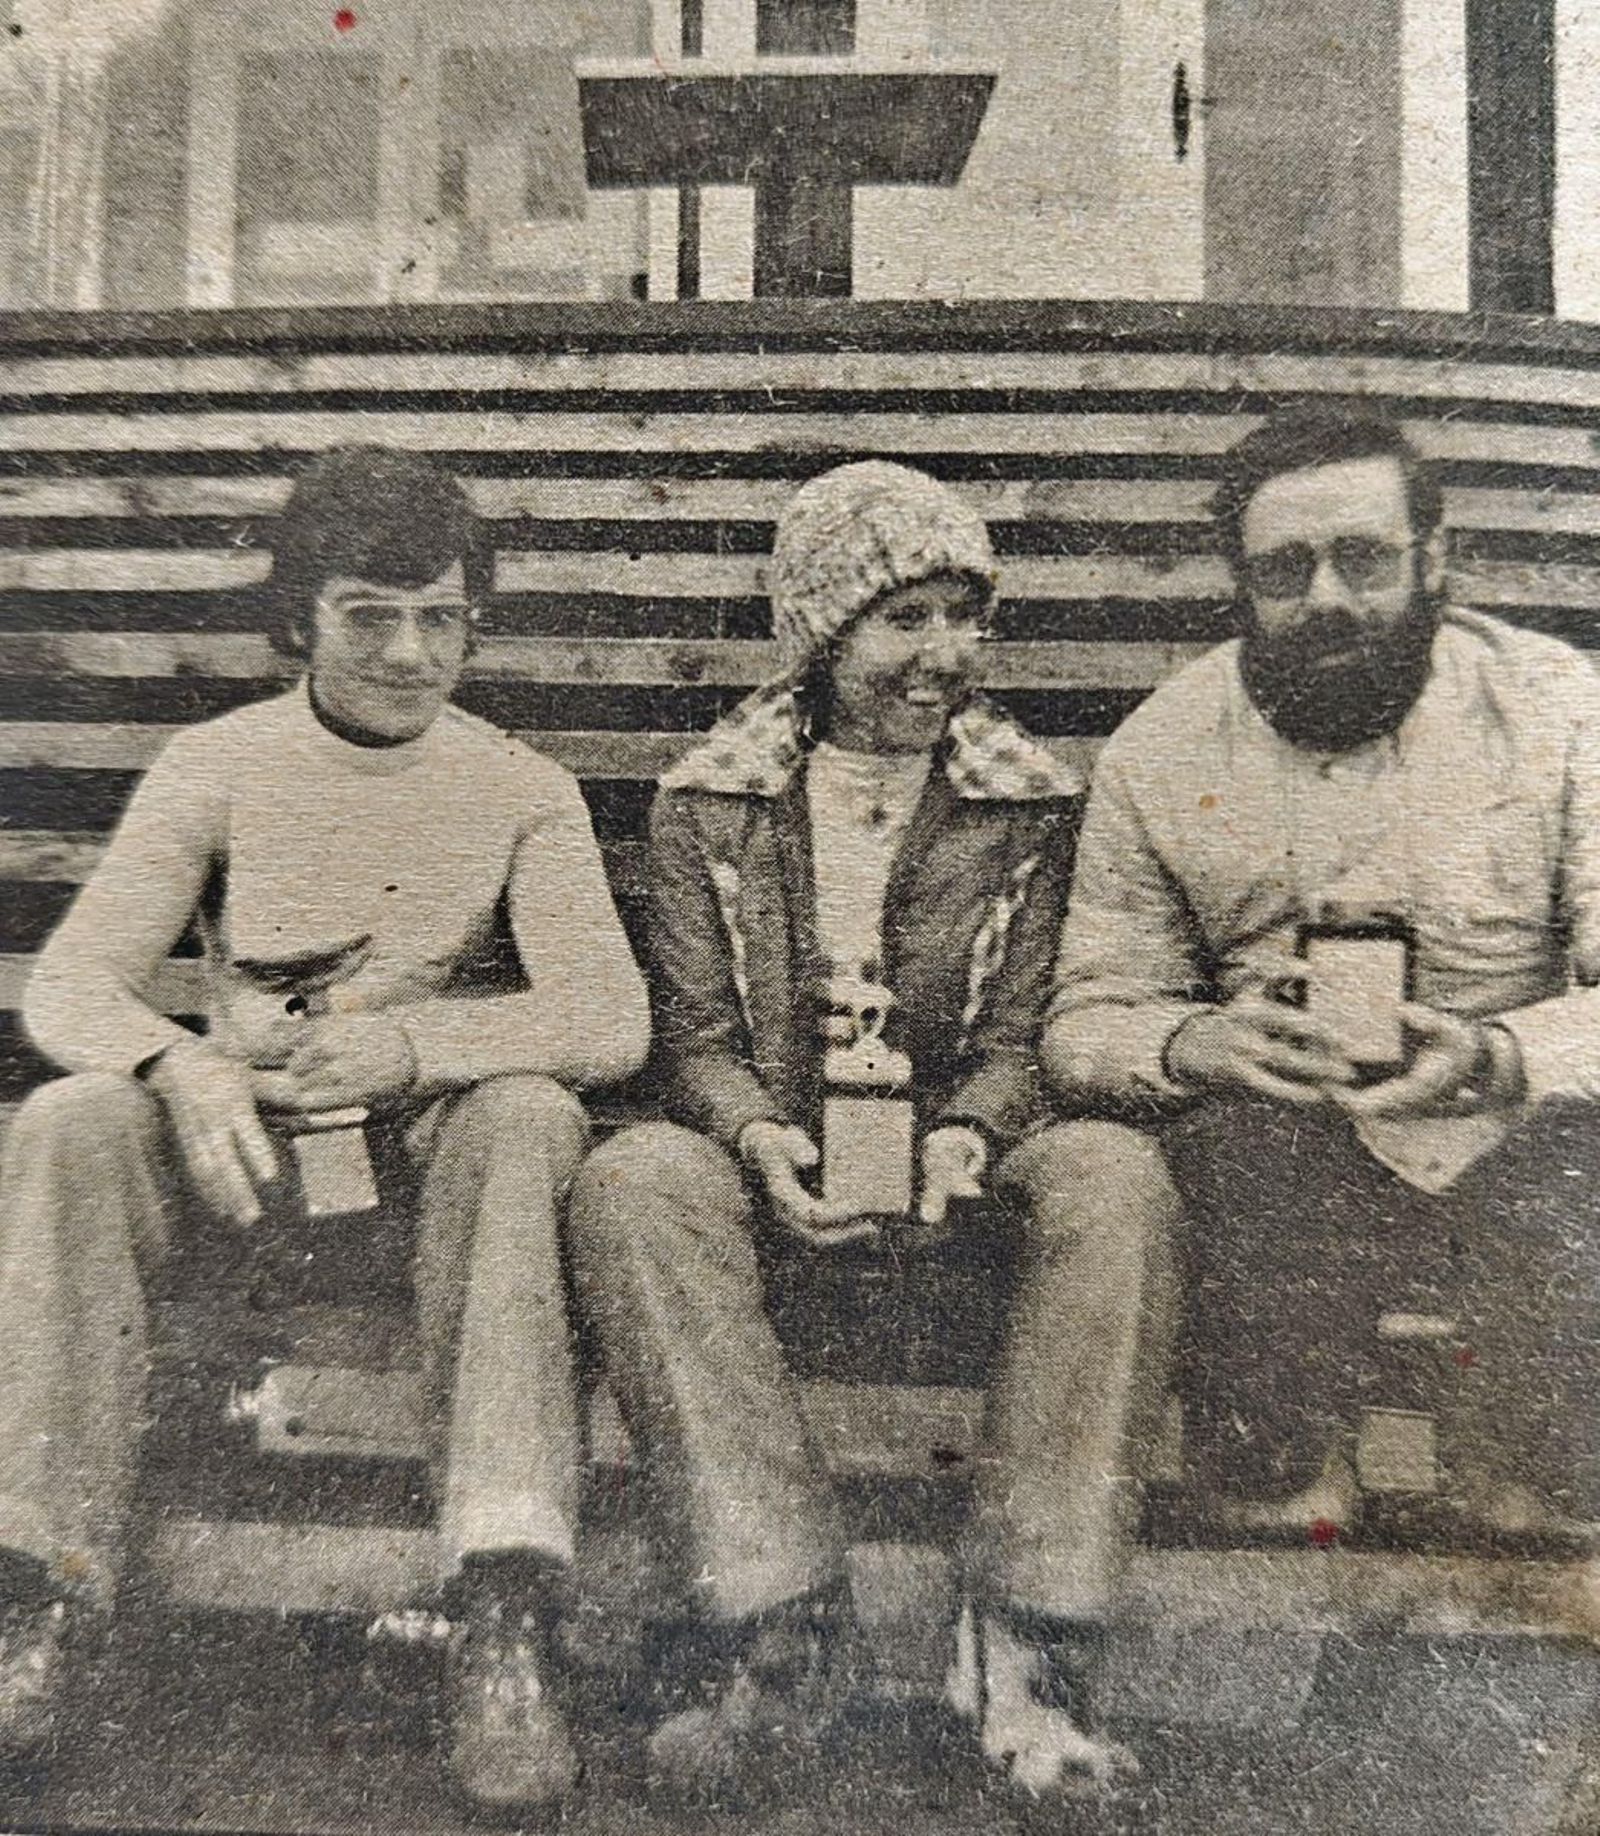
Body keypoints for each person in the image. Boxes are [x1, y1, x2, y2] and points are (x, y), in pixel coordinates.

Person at [0, 447, 650, 1810]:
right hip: (241, 1171)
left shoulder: (520, 786)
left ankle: (502, 1608)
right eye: (369, 615)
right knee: (73, 1116)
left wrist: (420, 1046)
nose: (410, 653)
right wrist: (181, 1066)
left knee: (527, 1113)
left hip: (425, 1188)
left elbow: (609, 1016)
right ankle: (36, 1591)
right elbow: (68, 984)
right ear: (299, 618)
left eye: (441, 617)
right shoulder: (220, 763)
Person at [569, 461, 1151, 1802]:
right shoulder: (710, 803)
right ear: (824, 636)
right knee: (636, 1176)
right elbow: (697, 1040)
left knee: (1112, 1170)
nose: (943, 654)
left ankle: (1027, 1643)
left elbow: (1020, 1035)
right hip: (773, 1160)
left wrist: (967, 1132)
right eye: (905, 619)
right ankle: (778, 1621)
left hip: (963, 1164)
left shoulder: (1025, 803)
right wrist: (757, 1135)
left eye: (965, 616)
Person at [1043, 405, 1600, 1547]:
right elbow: (1088, 1012)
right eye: (1286, 570)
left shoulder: (1559, 709)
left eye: (1365, 559)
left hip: (1522, 1126)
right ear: (1241, 585)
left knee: (1574, 1180)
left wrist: (1500, 1055)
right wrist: (1193, 1042)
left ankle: (1529, 1491)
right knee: (1239, 1153)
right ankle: (1285, 1496)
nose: (1328, 599)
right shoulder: (1161, 749)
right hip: (1289, 1143)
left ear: (1433, 559)